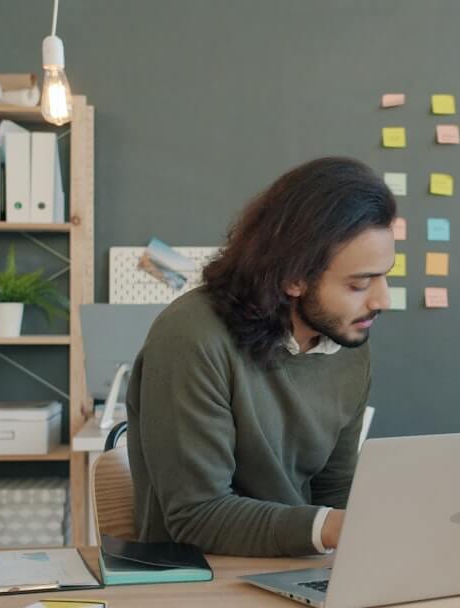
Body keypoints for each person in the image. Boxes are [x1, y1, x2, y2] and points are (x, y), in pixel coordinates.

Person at [126, 157, 396, 556]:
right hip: (200, 580)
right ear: (293, 278)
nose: (382, 300)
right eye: (359, 284)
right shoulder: (191, 337)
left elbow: (335, 491)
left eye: (386, 275)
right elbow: (195, 514)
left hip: (296, 570)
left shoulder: (347, 344)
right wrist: (333, 526)